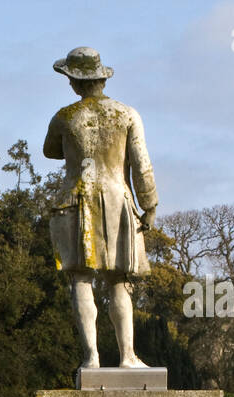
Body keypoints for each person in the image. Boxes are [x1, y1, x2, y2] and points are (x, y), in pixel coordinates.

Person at [43, 46, 158, 369]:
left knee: (80, 278)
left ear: (75, 82)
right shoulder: (127, 115)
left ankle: (91, 357)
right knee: (119, 281)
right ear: (101, 78)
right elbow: (141, 165)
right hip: (116, 201)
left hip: (76, 201)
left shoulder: (65, 117)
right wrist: (148, 205)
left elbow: (51, 150)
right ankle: (127, 357)